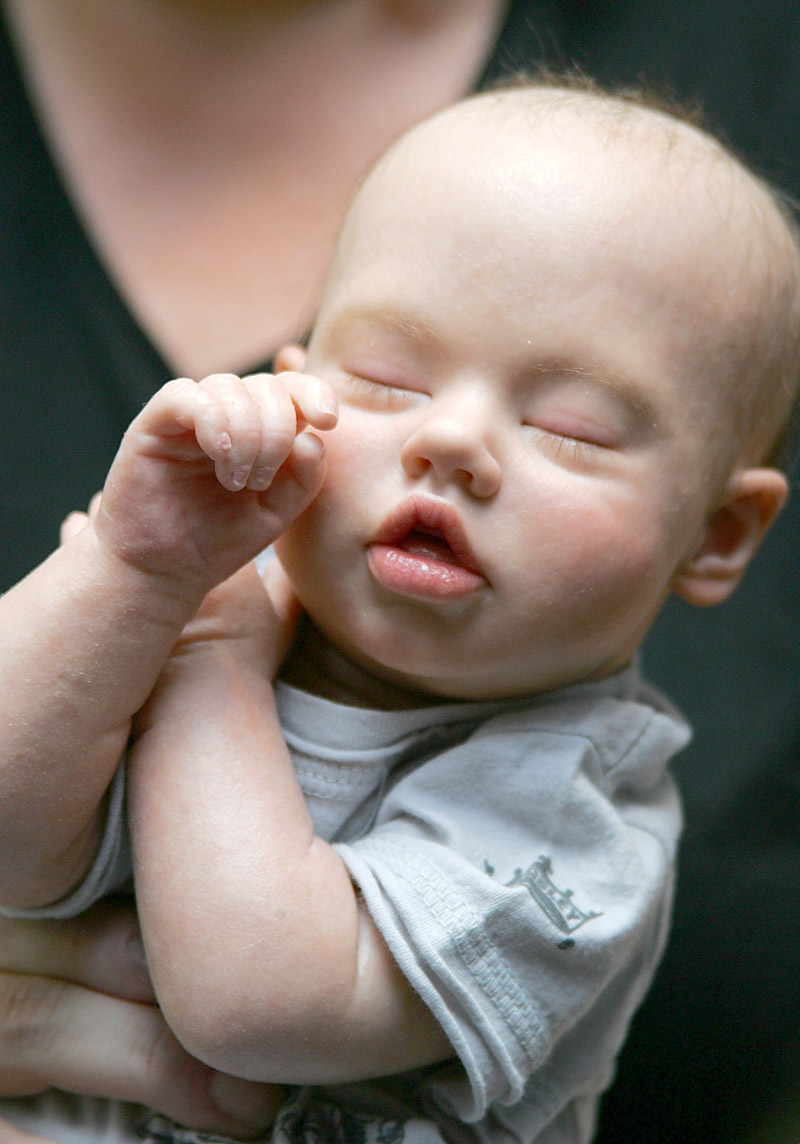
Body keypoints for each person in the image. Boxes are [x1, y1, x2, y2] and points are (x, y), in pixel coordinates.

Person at [0, 78, 797, 1144]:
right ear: (291, 386)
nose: (453, 440)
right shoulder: (173, 602)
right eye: (385, 380)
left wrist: (210, 656)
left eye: (572, 428)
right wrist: (126, 568)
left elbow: (256, 1002)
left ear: (716, 533)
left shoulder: (573, 815)